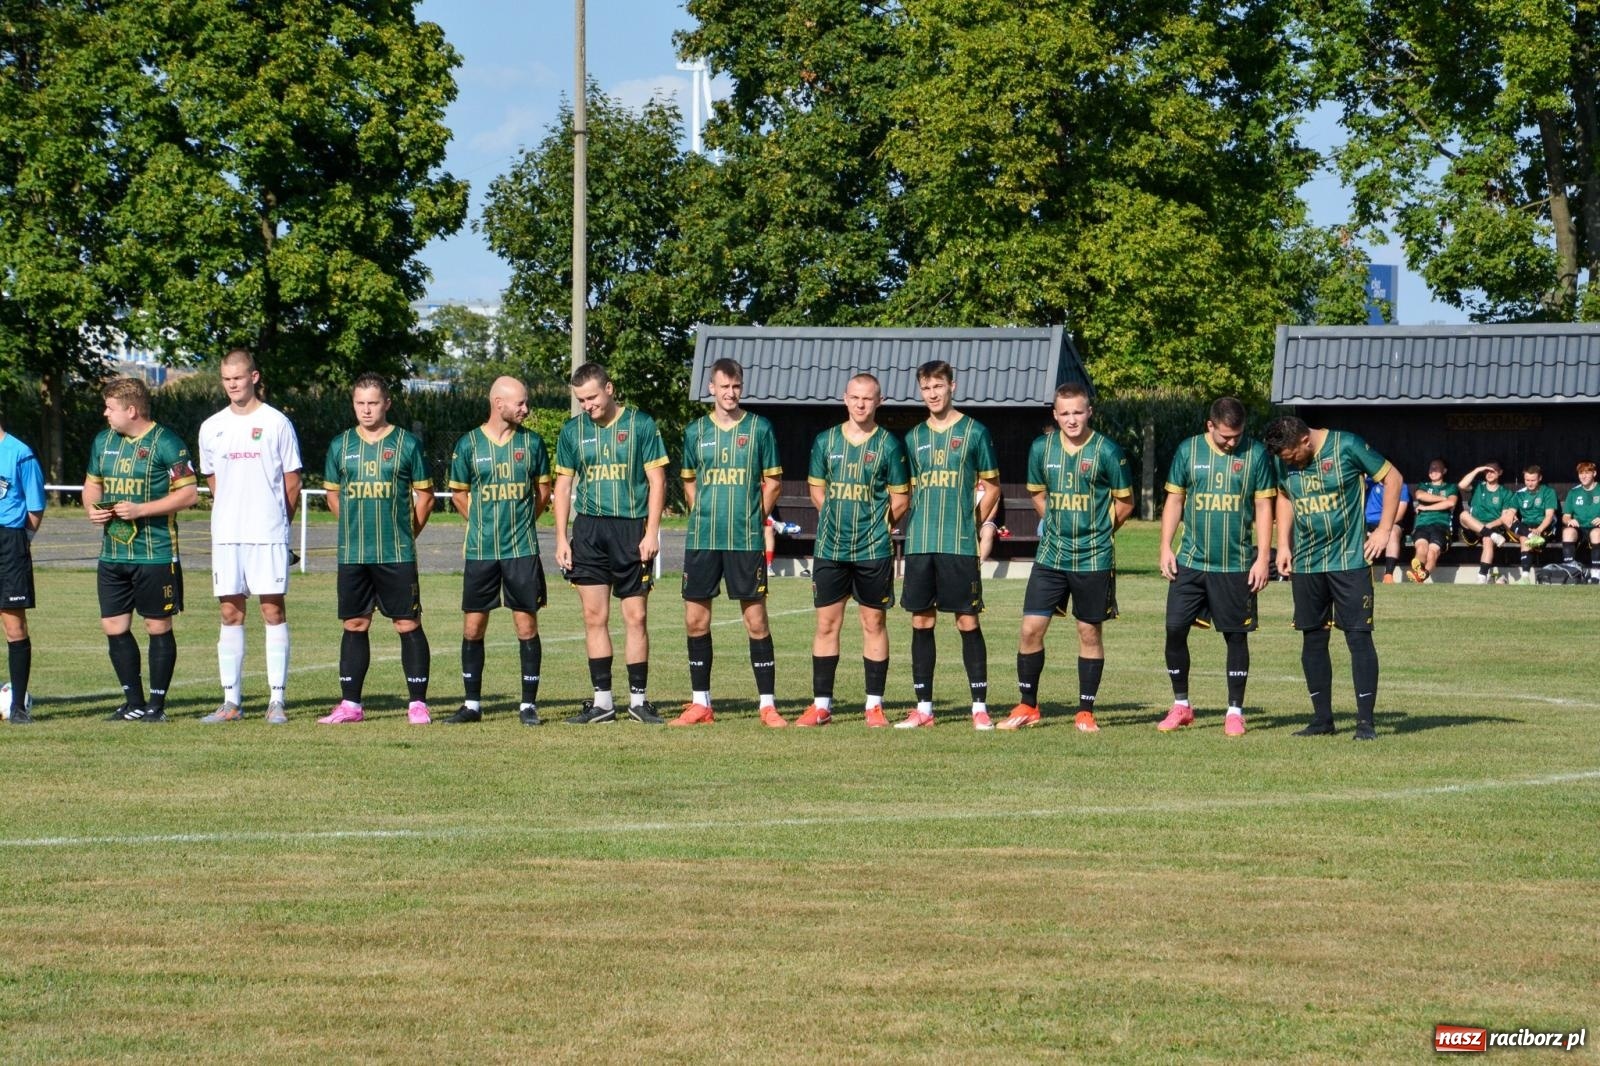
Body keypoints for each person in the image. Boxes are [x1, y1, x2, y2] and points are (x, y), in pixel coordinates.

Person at [997, 383, 1133, 732]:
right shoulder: (1041, 448)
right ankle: (1028, 705)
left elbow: (1125, 503)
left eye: (1078, 412)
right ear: (1055, 415)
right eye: (1065, 413)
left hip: (1093, 558)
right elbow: (1037, 492)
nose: (1071, 419)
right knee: (1030, 629)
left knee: (1088, 632)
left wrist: (1099, 532)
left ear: (1089, 412)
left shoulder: (1107, 451)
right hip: (1051, 556)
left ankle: (1085, 711)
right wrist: (1055, 524)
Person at [1264, 415, 1402, 740]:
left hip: (1349, 560)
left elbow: (1393, 478)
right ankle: (1322, 720)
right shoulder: (1284, 459)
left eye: (1292, 457)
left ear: (1304, 441)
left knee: (1357, 637)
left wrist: (1383, 530)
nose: (1290, 464)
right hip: (1307, 564)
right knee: (1312, 638)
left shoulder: (1347, 445)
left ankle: (1366, 723)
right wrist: (1282, 545)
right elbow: (1284, 495)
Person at [553, 362, 670, 725]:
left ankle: (638, 701)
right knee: (594, 616)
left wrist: (651, 532)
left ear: (610, 389)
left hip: (631, 529)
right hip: (588, 531)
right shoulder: (572, 431)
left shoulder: (641, 425)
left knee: (635, 616)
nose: (587, 405)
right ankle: (602, 702)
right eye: (581, 400)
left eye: (591, 397)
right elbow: (562, 486)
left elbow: (657, 482)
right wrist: (561, 537)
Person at [672, 358, 785, 727]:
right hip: (703, 539)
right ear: (711, 388)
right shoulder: (695, 432)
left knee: (755, 620)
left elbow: (773, 482)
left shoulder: (760, 429)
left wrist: (754, 517)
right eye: (724, 386)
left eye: (736, 386)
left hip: (744, 539)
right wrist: (701, 510)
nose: (730, 393)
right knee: (695, 620)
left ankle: (767, 705)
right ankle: (700, 704)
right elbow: (689, 481)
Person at [795, 373, 910, 727]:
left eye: (868, 398)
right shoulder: (825, 441)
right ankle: (821, 705)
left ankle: (874, 706)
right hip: (831, 548)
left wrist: (873, 524)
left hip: (873, 550)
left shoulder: (889, 445)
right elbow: (817, 492)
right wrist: (836, 520)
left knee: (873, 622)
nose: (861, 404)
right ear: (845, 399)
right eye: (855, 397)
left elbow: (901, 498)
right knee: (827, 624)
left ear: (880, 402)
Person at [1155, 397, 1274, 736]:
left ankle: (1235, 711)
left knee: (1236, 636)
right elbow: (1174, 500)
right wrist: (1165, 546)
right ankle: (1181, 705)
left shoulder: (1256, 455)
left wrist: (1262, 557)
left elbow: (1264, 507)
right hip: (1191, 562)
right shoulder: (1188, 451)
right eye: (1225, 436)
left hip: (1236, 565)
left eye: (1237, 435)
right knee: (1175, 629)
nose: (1231, 442)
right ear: (1210, 426)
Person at [319, 374, 435, 724]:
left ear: (387, 403)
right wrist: (353, 525)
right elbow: (333, 494)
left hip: (396, 553)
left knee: (406, 623)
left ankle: (417, 703)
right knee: (355, 624)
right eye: (360, 403)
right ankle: (351, 705)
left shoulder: (407, 444)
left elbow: (425, 497)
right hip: (354, 553)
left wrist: (405, 531)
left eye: (373, 403)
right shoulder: (340, 445)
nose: (366, 410)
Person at [83, 376, 199, 722]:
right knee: (114, 626)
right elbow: (92, 485)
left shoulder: (167, 442)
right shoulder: (104, 441)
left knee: (157, 627)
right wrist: (92, 507)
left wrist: (141, 510)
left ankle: (157, 706)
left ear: (131, 410)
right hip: (113, 555)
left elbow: (189, 494)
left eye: (110, 408)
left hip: (156, 554)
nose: (105, 414)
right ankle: (133, 701)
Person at [197, 349, 302, 724]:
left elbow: (292, 480)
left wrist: (279, 523)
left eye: (238, 378)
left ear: (254, 377)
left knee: (272, 609)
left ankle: (277, 701)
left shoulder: (276, 423)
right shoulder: (211, 426)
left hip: (267, 533)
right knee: (230, 611)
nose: (232, 385)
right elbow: (213, 480)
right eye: (226, 379)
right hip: (227, 535)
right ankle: (231, 703)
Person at [895, 360, 1001, 730]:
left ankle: (979, 707)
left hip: (958, 544)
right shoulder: (912, 439)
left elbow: (992, 486)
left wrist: (977, 524)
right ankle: (923, 708)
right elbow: (904, 492)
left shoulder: (975, 432)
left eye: (938, 386)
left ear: (952, 386)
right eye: (926, 388)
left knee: (966, 621)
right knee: (921, 621)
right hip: (921, 542)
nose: (932, 394)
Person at [444, 376, 553, 725]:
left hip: (522, 550)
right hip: (481, 551)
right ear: (498, 403)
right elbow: (460, 494)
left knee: (526, 626)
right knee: (473, 628)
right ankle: (472, 705)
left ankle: (527, 706)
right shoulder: (469, 444)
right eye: (520, 403)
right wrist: (480, 523)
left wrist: (522, 522)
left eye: (525, 401)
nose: (526, 408)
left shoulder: (533, 444)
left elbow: (543, 491)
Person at [0, 414, 46, 725]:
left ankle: (17, 707)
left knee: (13, 624)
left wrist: (19, 541)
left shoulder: (20, 452)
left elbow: (35, 507)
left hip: (9, 542)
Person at [1457, 461, 1518, 583]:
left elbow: (1504, 518)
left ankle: (1482, 576)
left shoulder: (1505, 493)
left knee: (1488, 539)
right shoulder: (1478, 486)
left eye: (1493, 471)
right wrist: (1477, 470)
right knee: (1463, 514)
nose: (1489, 473)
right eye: (1487, 471)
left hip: (1492, 528)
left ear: (1500, 473)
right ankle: (1491, 535)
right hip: (1473, 529)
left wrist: (1488, 526)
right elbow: (1462, 485)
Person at [1408, 457, 1457, 584]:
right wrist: (1442, 498)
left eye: (1436, 467)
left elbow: (1451, 502)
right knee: (1421, 548)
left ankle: (1423, 574)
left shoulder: (1451, 487)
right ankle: (1419, 569)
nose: (1433, 470)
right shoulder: (1423, 485)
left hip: (1441, 526)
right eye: (1431, 468)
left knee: (1432, 552)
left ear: (1444, 471)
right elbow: (1420, 495)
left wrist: (1425, 507)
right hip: (1422, 525)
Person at [1509, 464, 1557, 583]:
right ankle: (1525, 577)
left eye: (1533, 480)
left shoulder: (1548, 492)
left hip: (1544, 527)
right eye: (1527, 480)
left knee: (1524, 538)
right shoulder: (1519, 494)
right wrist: (1511, 514)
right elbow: (1511, 512)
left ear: (1539, 478)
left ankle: (1525, 576)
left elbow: (1549, 516)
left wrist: (1539, 529)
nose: (1529, 483)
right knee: (1507, 518)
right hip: (1526, 528)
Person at [1559, 461, 1600, 583]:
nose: (1584, 476)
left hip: (1596, 529)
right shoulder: (1574, 492)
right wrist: (1569, 521)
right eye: (1581, 473)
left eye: (1587, 473)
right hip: (1580, 529)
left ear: (1594, 473)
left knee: (1596, 533)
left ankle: (1596, 574)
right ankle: (1571, 571)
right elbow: (1565, 517)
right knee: (1568, 532)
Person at [1365, 475, 1411, 582]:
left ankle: (1388, 575)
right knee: (1357, 532)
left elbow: (1399, 514)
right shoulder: (1369, 483)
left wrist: (1382, 529)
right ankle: (1363, 575)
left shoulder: (1401, 486)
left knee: (1393, 533)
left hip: (1391, 522)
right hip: (1368, 523)